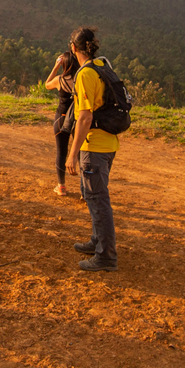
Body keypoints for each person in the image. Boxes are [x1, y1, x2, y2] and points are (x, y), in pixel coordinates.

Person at [65, 26, 119, 272]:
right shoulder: (102, 67)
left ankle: (106, 257)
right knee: (92, 196)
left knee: (97, 200)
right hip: (107, 144)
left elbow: (85, 117)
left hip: (94, 146)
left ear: (73, 48)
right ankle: (97, 241)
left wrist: (73, 153)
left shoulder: (86, 74)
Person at [45, 50, 80, 196]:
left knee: (61, 152)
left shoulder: (59, 79)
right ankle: (85, 189)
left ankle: (61, 186)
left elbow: (47, 85)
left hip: (62, 118)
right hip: (78, 119)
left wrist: (55, 67)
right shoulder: (81, 80)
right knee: (81, 153)